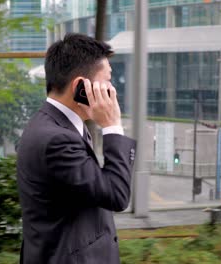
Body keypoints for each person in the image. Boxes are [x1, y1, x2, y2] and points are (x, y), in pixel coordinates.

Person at [16, 33, 136, 264]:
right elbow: (117, 195)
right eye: (108, 80)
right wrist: (112, 127)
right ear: (81, 86)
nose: (113, 89)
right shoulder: (57, 140)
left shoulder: (53, 123)